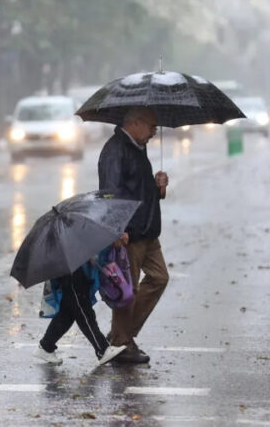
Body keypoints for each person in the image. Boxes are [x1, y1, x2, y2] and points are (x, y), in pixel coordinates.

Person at [97, 107, 169, 364]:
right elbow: (110, 193)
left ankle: (121, 334)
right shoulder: (115, 150)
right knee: (128, 290)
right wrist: (116, 229)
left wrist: (157, 185)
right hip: (130, 233)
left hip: (148, 230)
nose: (154, 132)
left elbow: (136, 188)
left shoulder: (138, 146)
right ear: (135, 123)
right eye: (152, 126)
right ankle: (121, 343)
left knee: (160, 278)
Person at [34, 239, 128, 366]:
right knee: (84, 311)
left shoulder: (70, 225)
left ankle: (46, 346)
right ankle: (102, 349)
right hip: (70, 271)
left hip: (76, 267)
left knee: (67, 314)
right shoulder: (64, 228)